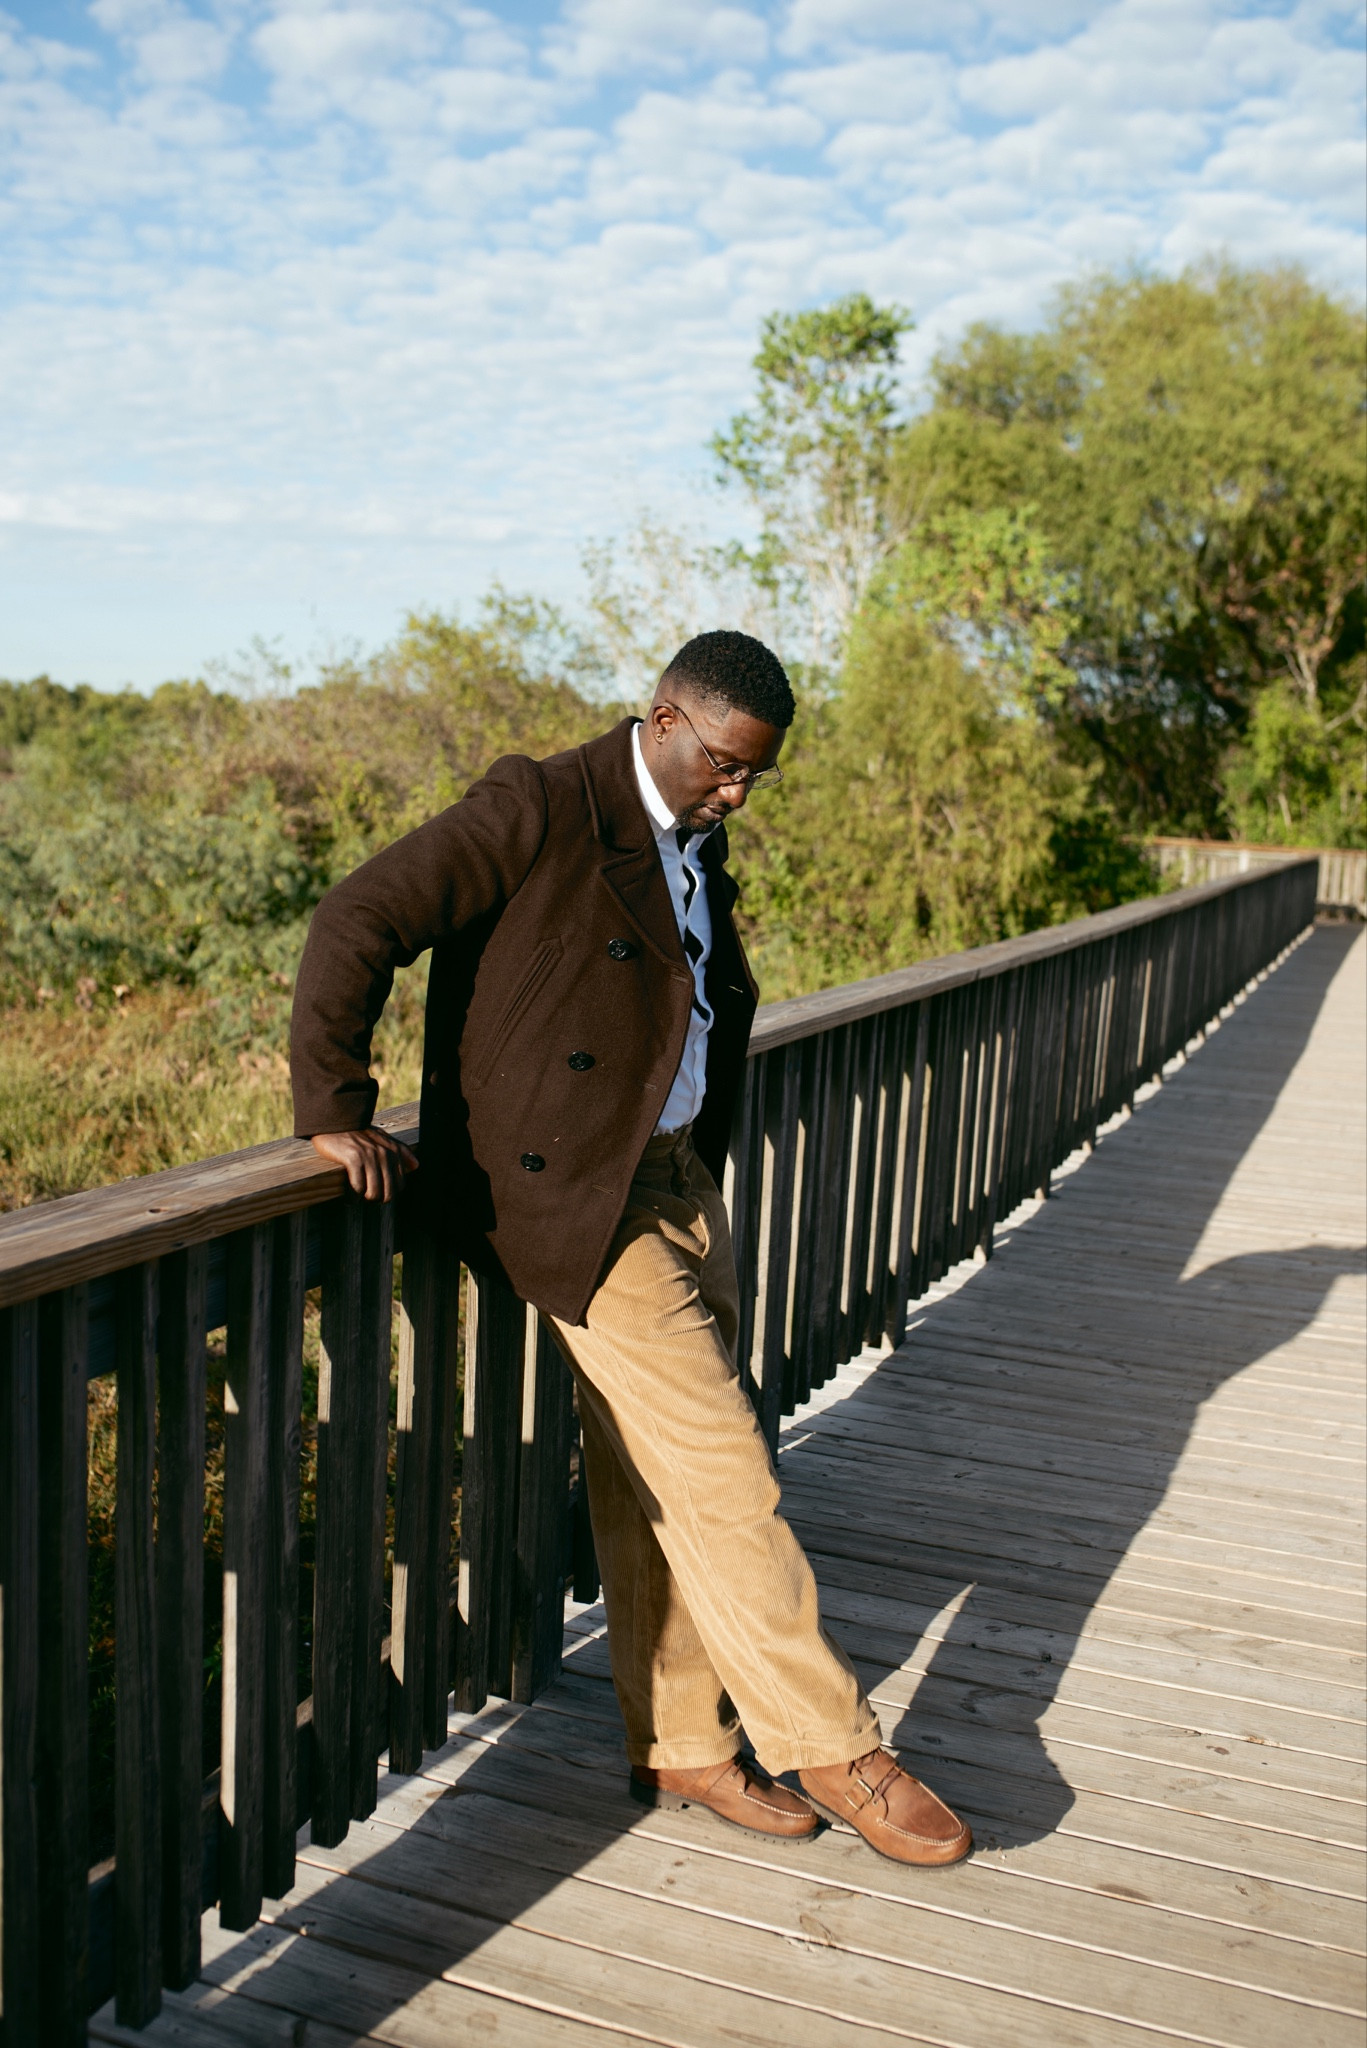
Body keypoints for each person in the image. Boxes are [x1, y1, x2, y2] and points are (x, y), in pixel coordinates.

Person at [290, 629, 971, 1866]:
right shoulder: (540, 803)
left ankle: (682, 1739)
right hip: (574, 1201)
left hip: (669, 1180)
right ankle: (833, 1740)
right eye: (723, 766)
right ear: (661, 717)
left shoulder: (692, 832)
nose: (735, 793)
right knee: (725, 1464)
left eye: (754, 776)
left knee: (652, 1469)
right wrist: (334, 1106)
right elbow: (361, 913)